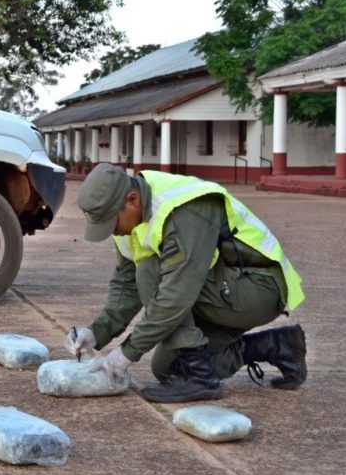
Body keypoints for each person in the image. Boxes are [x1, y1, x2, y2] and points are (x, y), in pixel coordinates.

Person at [66, 163, 307, 403]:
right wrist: (97, 332)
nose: (113, 232)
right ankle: (279, 346)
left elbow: (175, 296)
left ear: (132, 199)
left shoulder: (184, 210)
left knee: (151, 270)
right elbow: (126, 285)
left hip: (258, 287)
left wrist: (126, 353)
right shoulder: (130, 223)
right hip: (218, 290)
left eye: (112, 223)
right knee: (168, 368)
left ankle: (199, 377)